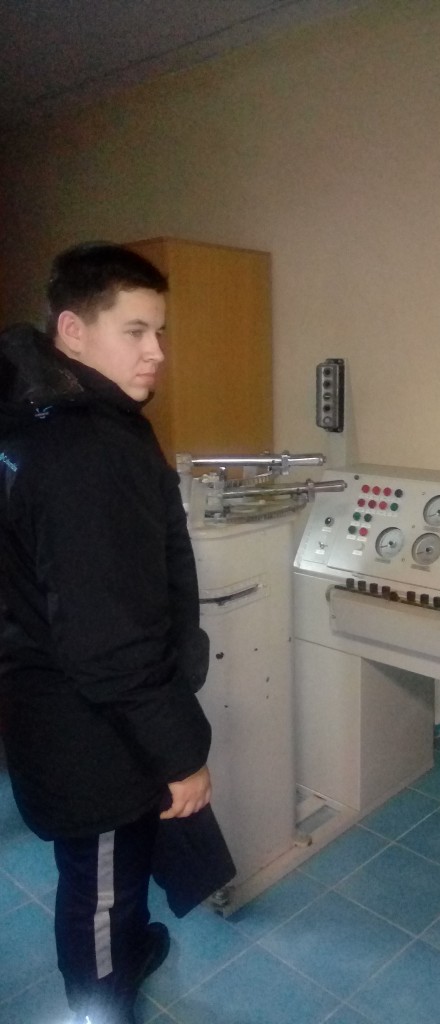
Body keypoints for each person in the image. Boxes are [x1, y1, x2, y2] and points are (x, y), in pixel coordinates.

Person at [0, 243, 215, 1024]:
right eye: (134, 331)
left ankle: (126, 955)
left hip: (69, 708)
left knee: (122, 868)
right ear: (72, 331)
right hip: (83, 729)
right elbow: (111, 642)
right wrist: (181, 755)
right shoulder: (85, 450)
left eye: (160, 332)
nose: (156, 351)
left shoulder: (50, 421)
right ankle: (100, 1005)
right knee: (98, 887)